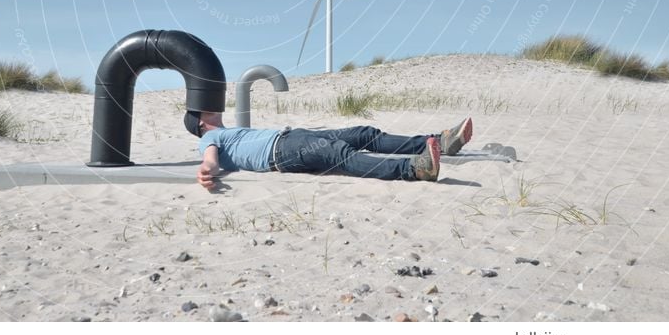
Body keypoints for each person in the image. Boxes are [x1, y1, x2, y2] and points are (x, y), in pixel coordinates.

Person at [183, 111, 473, 191]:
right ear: (199, 121)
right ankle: (414, 168)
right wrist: (207, 171)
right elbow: (210, 160)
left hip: (291, 137)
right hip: (282, 152)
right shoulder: (208, 139)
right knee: (341, 155)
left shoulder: (227, 131)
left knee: (363, 134)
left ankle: (438, 143)